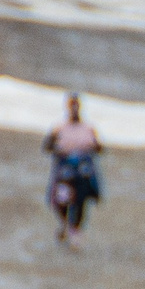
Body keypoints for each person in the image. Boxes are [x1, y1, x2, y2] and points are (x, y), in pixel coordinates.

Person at [43, 93, 102, 245]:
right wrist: (59, 149)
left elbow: (99, 147)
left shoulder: (88, 128)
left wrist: (91, 147)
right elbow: (47, 146)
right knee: (62, 198)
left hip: (82, 169)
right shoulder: (59, 128)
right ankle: (65, 223)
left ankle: (75, 228)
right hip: (65, 169)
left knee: (82, 197)